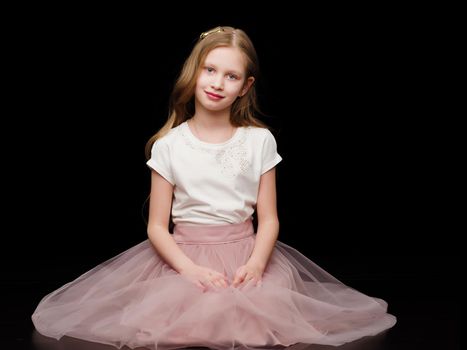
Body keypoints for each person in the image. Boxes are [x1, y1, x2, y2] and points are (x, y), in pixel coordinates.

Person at [32, 26, 396, 349]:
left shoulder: (259, 141)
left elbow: (268, 219)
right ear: (195, 72)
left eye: (231, 76)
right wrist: (189, 270)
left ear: (245, 87)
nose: (218, 83)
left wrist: (256, 263)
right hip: (184, 257)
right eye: (210, 70)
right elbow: (157, 227)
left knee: (258, 323)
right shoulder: (169, 145)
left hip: (246, 255)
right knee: (182, 324)